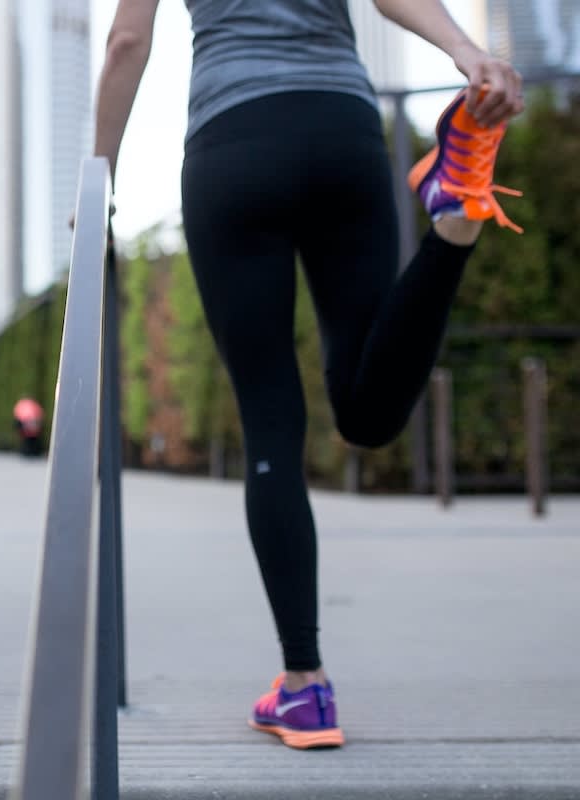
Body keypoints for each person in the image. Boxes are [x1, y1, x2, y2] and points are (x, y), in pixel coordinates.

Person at [94, 0, 524, 749]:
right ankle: (453, 224)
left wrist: (97, 181)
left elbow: (129, 38)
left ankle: (305, 687)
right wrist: (463, 49)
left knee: (270, 420)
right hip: (341, 134)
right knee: (367, 412)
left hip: (233, 145)